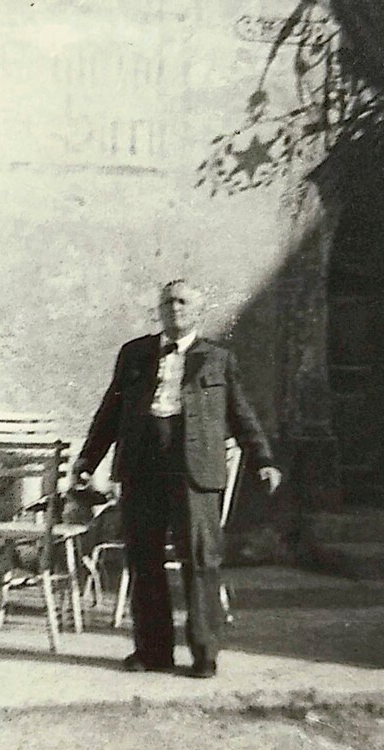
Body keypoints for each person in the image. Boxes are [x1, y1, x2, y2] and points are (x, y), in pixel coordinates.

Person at [72, 279, 282, 678]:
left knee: (201, 560)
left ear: (198, 311)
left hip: (193, 471)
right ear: (159, 310)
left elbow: (241, 414)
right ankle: (153, 652)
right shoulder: (134, 354)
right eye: (167, 302)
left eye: (183, 302)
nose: (175, 308)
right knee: (144, 559)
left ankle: (205, 653)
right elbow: (110, 413)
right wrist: (88, 460)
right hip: (142, 466)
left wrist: (263, 459)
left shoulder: (217, 358)